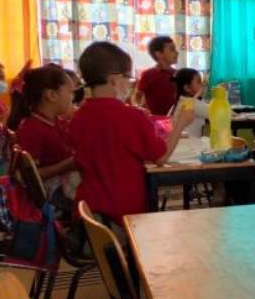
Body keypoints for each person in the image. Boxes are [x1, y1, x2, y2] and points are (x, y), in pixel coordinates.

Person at [70, 41, 194, 223]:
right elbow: (161, 157)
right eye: (127, 77)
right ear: (114, 80)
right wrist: (180, 123)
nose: (130, 84)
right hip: (125, 215)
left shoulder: (77, 116)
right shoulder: (130, 116)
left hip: (89, 211)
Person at [10, 65, 77, 182]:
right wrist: (67, 165)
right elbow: (24, 176)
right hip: (53, 189)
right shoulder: (32, 129)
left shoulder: (55, 121)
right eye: (70, 93)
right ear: (52, 95)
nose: (73, 98)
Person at [136, 35, 179, 116]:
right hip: (155, 119)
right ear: (159, 54)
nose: (177, 52)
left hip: (175, 118)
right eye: (172, 49)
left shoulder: (178, 74)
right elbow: (138, 96)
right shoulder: (148, 74)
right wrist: (140, 107)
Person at [170, 68, 208, 138]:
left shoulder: (179, 102)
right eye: (199, 82)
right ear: (187, 88)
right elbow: (219, 113)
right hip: (188, 143)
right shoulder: (192, 104)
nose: (203, 84)